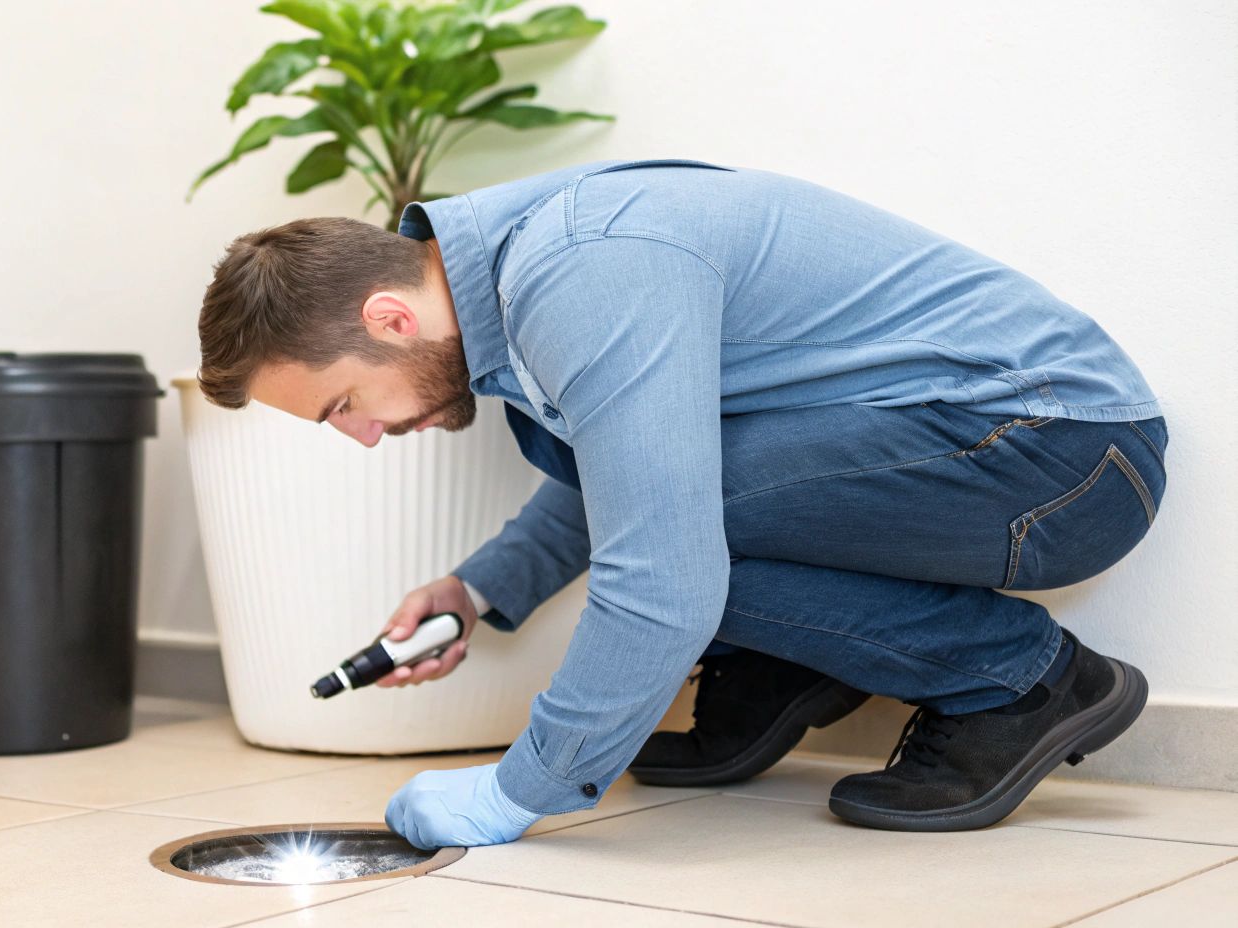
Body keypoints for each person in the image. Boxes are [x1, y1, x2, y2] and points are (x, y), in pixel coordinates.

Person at [192, 159, 1166, 849]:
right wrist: (476, 588)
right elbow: (624, 461)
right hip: (1004, 443)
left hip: (1056, 451)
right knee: (657, 497)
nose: (362, 437)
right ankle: (782, 666)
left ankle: (1020, 678)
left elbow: (657, 557)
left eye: (343, 406)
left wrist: (515, 790)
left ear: (389, 319)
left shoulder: (581, 269)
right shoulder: (530, 265)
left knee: (663, 532)